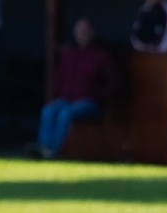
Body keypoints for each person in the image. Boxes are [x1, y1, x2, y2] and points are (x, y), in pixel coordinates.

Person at [33, 18, 122, 161]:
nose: (82, 35)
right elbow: (58, 79)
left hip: (90, 103)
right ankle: (43, 147)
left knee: (65, 113)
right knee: (48, 110)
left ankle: (53, 152)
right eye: (79, 31)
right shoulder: (69, 54)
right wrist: (57, 93)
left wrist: (96, 95)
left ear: (92, 33)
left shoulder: (102, 55)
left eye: (85, 31)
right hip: (67, 99)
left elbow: (115, 84)